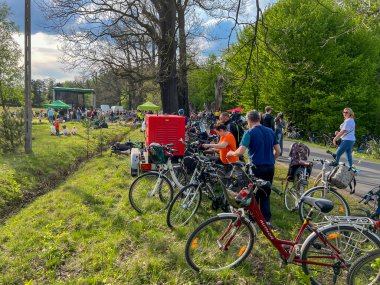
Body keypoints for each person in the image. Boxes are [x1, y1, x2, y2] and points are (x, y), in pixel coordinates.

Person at [227, 110, 280, 223]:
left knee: (253, 193)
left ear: (248, 120)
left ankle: (253, 219)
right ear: (259, 119)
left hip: (256, 167)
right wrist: (271, 160)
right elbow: (278, 151)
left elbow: (240, 152)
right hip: (270, 167)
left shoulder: (249, 132)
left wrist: (231, 153)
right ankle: (266, 220)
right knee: (266, 193)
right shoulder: (271, 131)